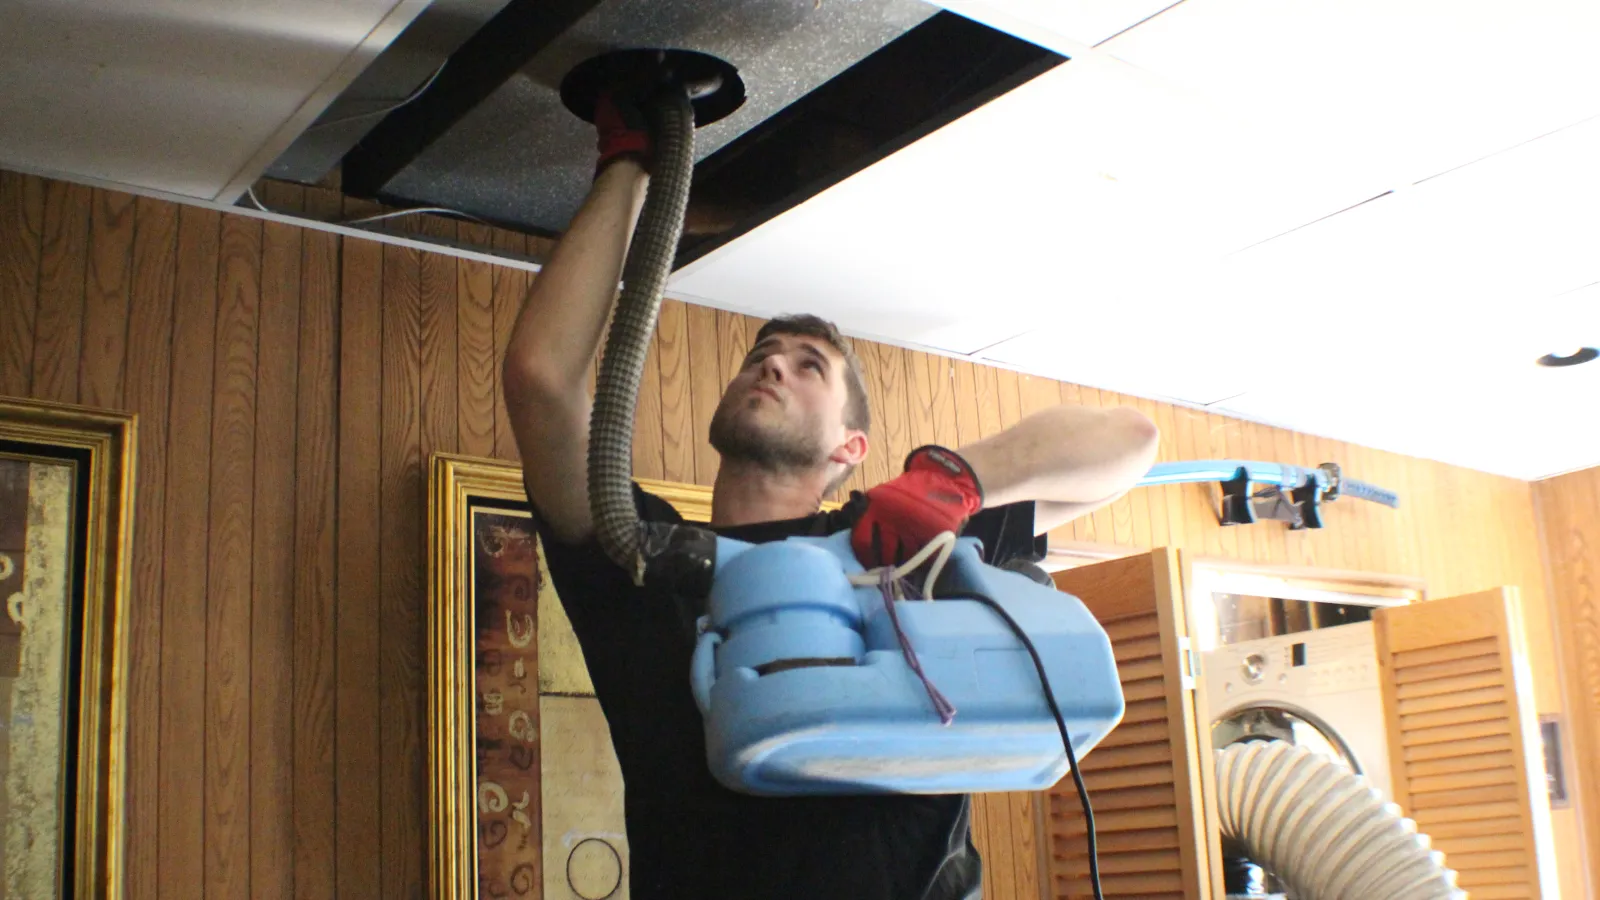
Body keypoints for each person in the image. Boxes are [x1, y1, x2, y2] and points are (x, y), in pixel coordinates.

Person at [502, 94, 1161, 900]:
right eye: (762, 355)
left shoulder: (902, 545)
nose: (771, 364)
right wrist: (633, 162)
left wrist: (956, 479)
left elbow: (1130, 445)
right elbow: (542, 380)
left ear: (852, 448)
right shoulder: (641, 555)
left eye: (808, 365)